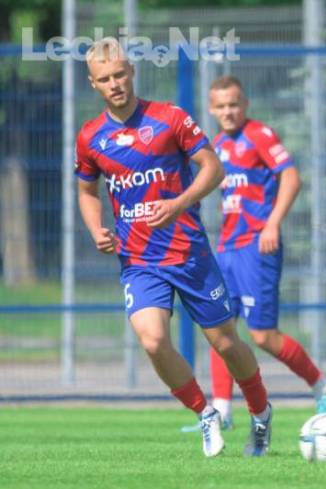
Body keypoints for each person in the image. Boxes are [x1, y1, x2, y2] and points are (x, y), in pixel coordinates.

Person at [75, 38, 273, 458]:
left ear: (132, 72)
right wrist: (96, 229)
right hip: (138, 260)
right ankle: (205, 414)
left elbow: (213, 168)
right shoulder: (91, 137)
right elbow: (87, 190)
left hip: (188, 253)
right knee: (152, 342)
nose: (115, 84)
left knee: (225, 343)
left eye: (120, 74)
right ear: (93, 84)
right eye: (105, 79)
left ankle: (260, 413)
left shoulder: (169, 119)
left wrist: (178, 204)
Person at [182, 75, 326, 430]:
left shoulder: (259, 135)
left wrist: (272, 224)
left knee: (262, 335)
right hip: (227, 249)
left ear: (245, 104)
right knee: (219, 327)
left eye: (234, 104)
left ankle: (323, 387)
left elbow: (291, 178)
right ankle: (222, 410)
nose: (228, 111)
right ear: (211, 109)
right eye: (221, 106)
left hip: (257, 246)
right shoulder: (218, 145)